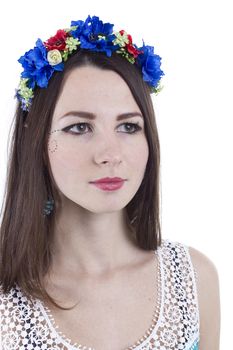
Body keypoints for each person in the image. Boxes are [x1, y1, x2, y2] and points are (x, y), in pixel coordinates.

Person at [0, 15, 220, 350]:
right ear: (39, 142)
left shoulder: (193, 280)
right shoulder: (6, 299)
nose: (110, 154)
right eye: (79, 127)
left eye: (129, 127)